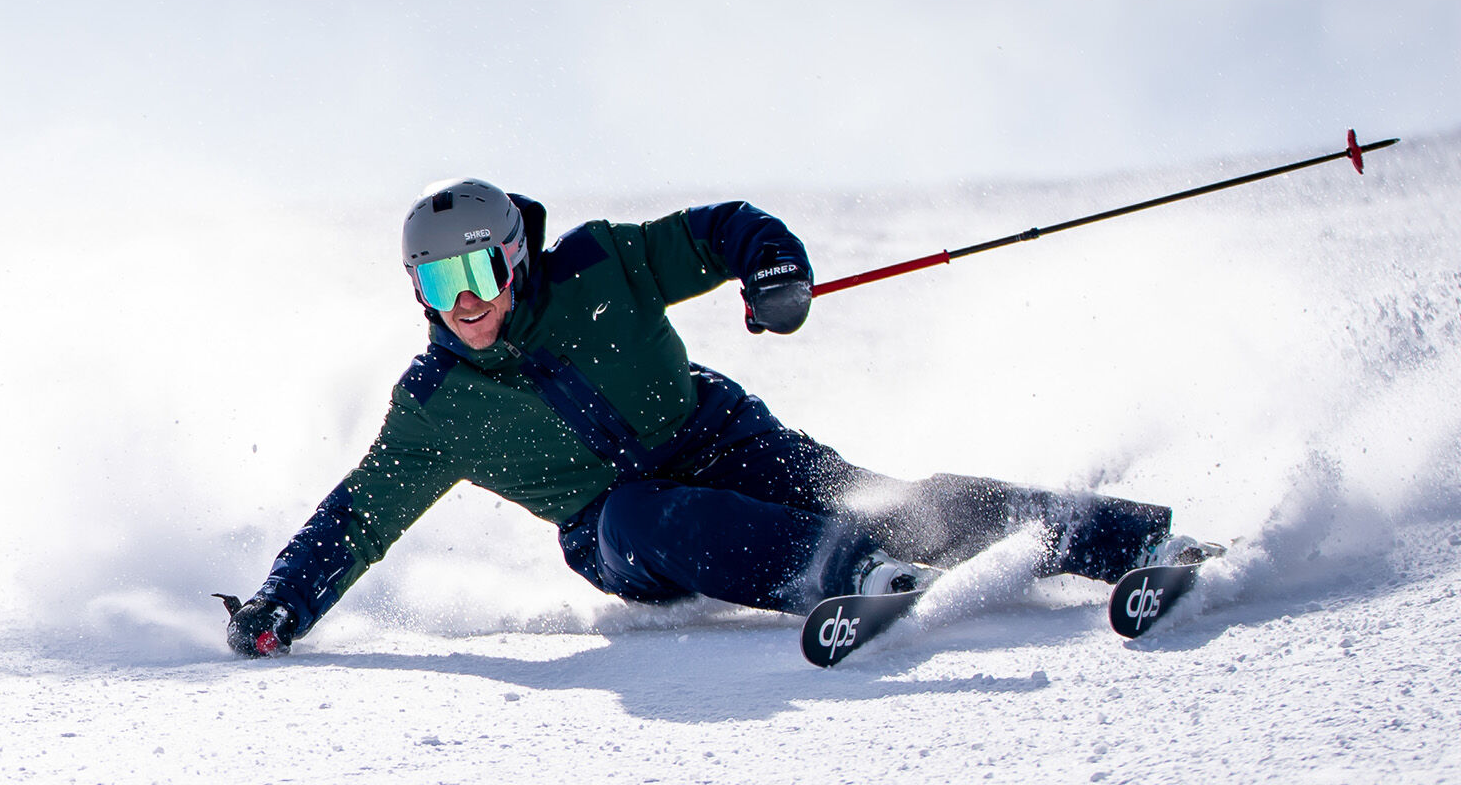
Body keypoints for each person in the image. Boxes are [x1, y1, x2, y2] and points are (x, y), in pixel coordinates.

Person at [222, 178, 1219, 658]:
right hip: (624, 530)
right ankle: (845, 573)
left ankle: (1136, 539)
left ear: (513, 258)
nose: (463, 299)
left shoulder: (599, 266)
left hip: (734, 440)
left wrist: (772, 267)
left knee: (899, 500)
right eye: (437, 281)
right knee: (645, 514)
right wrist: (283, 604)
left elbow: (722, 231)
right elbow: (357, 516)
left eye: (476, 270)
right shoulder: (436, 407)